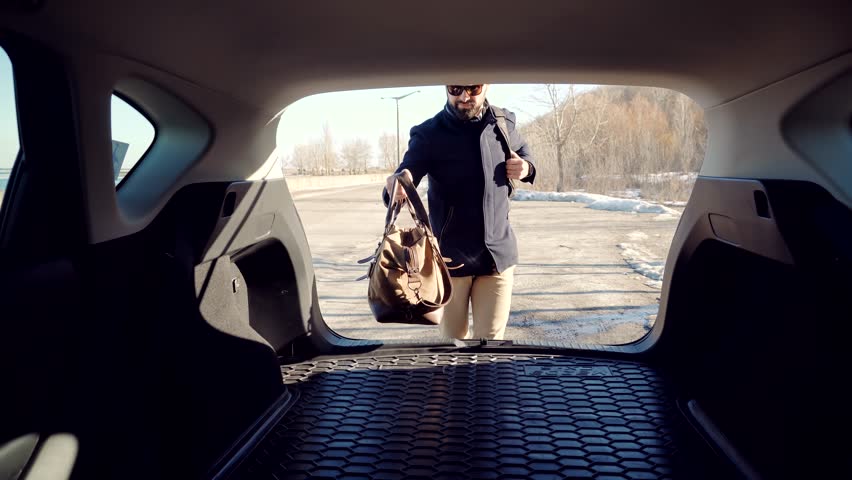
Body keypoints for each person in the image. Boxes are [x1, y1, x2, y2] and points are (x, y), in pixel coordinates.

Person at [383, 84, 536, 340]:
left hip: (496, 257)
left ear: (486, 86)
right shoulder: (428, 133)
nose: (464, 97)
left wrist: (527, 168)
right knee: (452, 346)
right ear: (446, 89)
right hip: (448, 262)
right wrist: (397, 185)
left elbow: (525, 152)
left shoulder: (503, 122)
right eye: (455, 89)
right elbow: (409, 169)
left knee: (491, 346)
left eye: (473, 89)